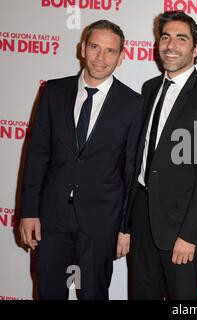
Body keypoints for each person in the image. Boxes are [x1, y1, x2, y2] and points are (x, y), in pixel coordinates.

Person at [19, 20, 143, 299]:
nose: (101, 58)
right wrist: (29, 211)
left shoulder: (133, 104)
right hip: (52, 218)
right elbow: (37, 155)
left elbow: (131, 170)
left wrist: (126, 228)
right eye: (95, 47)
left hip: (102, 221)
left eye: (110, 51)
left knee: (93, 294)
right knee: (50, 292)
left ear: (121, 57)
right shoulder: (53, 91)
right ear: (82, 48)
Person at [126, 11, 197, 300]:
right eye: (165, 37)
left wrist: (190, 234)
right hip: (143, 218)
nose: (171, 45)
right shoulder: (148, 89)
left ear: (196, 48)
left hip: (182, 227)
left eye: (181, 38)